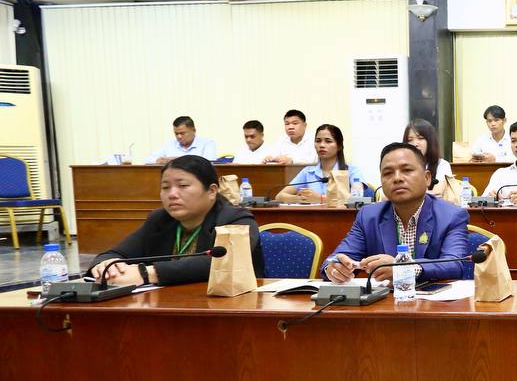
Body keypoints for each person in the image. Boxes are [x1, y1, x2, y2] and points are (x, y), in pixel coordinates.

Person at [90, 156, 264, 285]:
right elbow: (113, 254)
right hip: (166, 305)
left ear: (211, 191)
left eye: (183, 186)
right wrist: (106, 265)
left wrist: (147, 273)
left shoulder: (236, 220)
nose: (172, 194)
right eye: (165, 187)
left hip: (229, 307)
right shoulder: (159, 220)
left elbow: (224, 262)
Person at [322, 143, 472, 285]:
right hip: (386, 301)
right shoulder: (368, 216)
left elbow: (455, 264)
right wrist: (334, 268)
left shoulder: (451, 216)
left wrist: (404, 268)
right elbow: (335, 258)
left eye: (407, 170)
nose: (397, 178)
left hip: (435, 300)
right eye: (388, 173)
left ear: (427, 178)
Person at [275, 124, 367, 202]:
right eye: (318, 141)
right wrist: (301, 199)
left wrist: (320, 198)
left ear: (339, 146)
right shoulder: (308, 172)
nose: (321, 145)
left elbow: (357, 199)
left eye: (328, 141)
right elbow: (280, 196)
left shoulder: (352, 171)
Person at [403, 119, 452, 195]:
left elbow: (437, 193)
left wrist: (405, 195)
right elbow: (386, 195)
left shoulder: (442, 165)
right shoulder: (401, 165)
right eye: (410, 140)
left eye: (420, 138)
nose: (415, 144)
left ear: (430, 141)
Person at [142, 116, 218, 164]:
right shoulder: (169, 144)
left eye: (182, 133)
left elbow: (208, 164)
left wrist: (177, 160)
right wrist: (158, 161)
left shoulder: (207, 143)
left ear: (194, 130)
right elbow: (147, 160)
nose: (179, 136)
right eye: (176, 133)